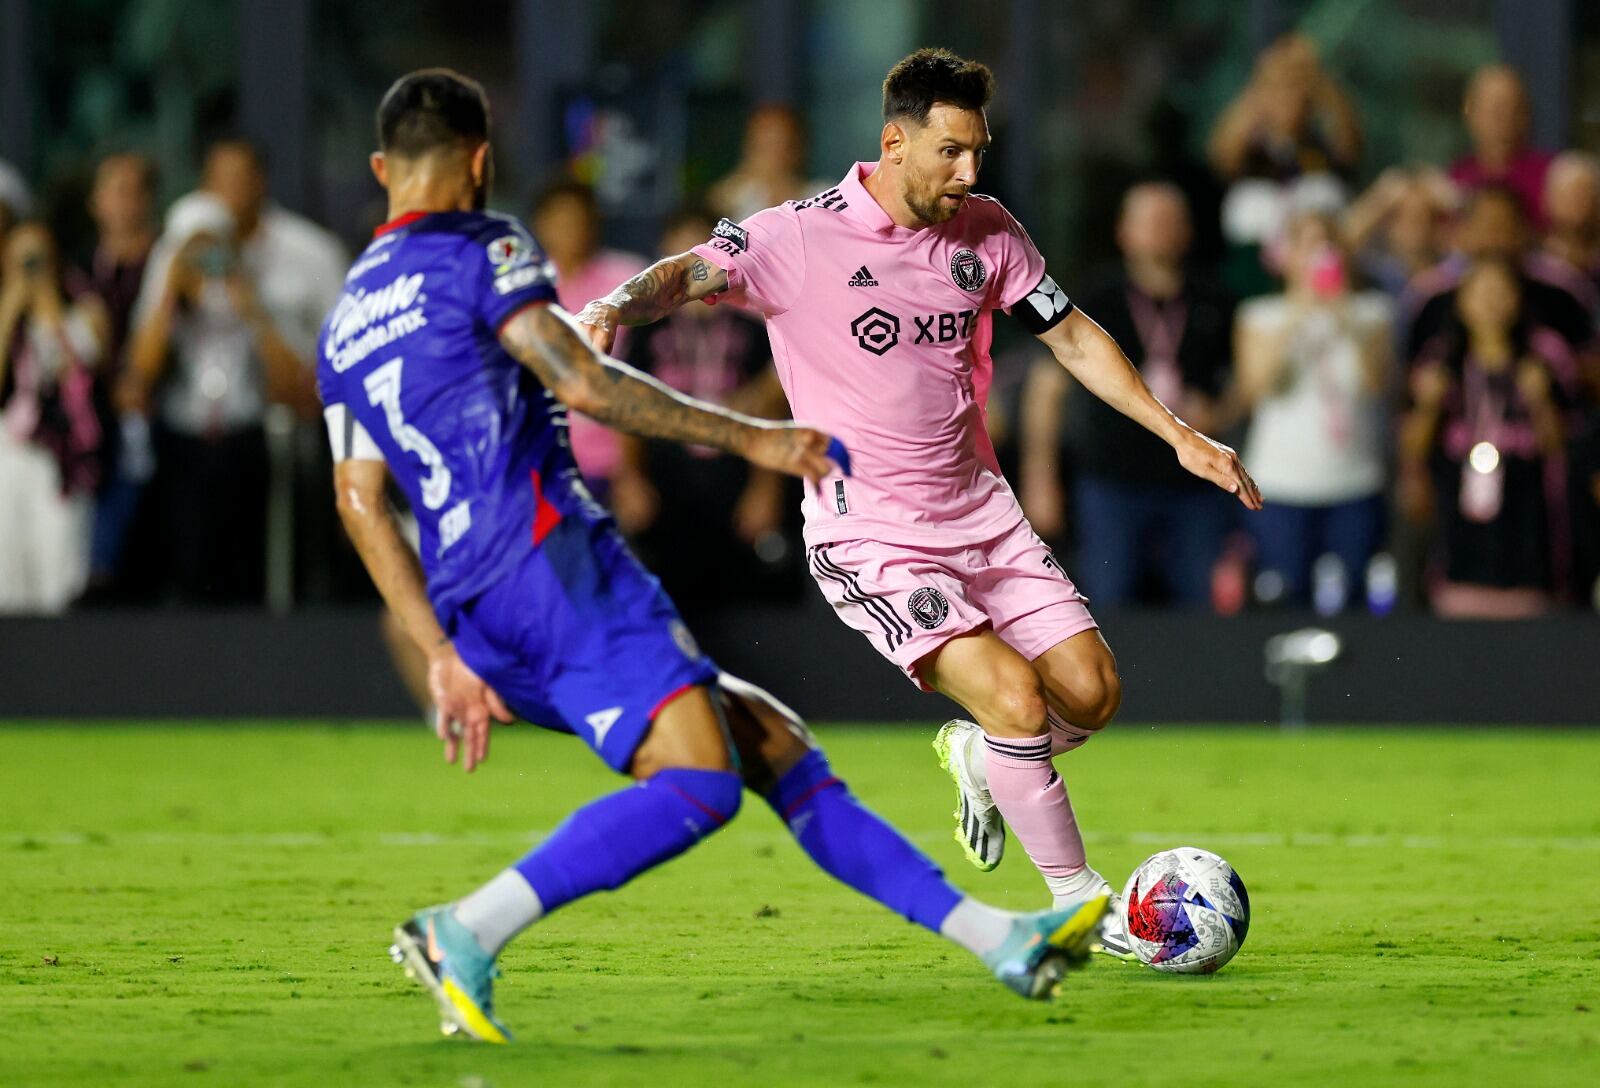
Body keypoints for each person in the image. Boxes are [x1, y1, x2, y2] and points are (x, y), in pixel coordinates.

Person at [325, 69, 1110, 1042]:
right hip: (555, 565)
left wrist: (438, 649)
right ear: (482, 161)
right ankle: (465, 929)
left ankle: (1000, 935)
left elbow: (358, 501)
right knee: (699, 782)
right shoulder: (488, 248)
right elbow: (585, 380)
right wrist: (757, 438)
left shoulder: (347, 315)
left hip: (471, 606)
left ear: (378, 167)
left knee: (773, 745)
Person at [577, 49, 1258, 941]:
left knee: (1090, 696)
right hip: (876, 539)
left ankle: (986, 757)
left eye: (979, 151)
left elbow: (1072, 335)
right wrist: (613, 309)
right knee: (1016, 698)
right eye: (952, 153)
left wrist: (1181, 436)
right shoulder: (798, 236)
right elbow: (687, 272)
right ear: (895, 143)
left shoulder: (987, 229)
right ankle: (1079, 906)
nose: (969, 173)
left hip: (985, 515)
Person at [1019, 182, 1236, 608]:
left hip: (1196, 486)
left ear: (1189, 231)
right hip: (1111, 481)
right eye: (1150, 221)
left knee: (1201, 607)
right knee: (1109, 602)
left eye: (1171, 220)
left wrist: (1222, 413)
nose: (1161, 231)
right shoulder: (1093, 299)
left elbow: (1246, 382)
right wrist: (1040, 478)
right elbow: (1046, 389)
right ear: (1123, 231)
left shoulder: (1216, 299)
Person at [613, 206, 791, 605]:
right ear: (663, 255)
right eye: (681, 250)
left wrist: (766, 490)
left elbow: (772, 413)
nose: (691, 263)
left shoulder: (753, 329)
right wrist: (629, 478)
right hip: (666, 481)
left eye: (701, 249)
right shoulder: (644, 332)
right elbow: (626, 408)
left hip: (735, 480)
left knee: (749, 606)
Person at [1401, 258, 1580, 617]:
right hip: (1458, 523)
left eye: (1500, 292)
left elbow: (1564, 446)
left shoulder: (1545, 354)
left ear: (1518, 299)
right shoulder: (1443, 358)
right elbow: (1412, 447)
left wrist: (1541, 400)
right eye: (1481, 292)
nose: (1491, 302)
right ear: (1461, 302)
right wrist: (1429, 407)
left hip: (1528, 518)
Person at [1235, 210, 1392, 609]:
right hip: (1281, 482)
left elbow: (1378, 383)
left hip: (1355, 479)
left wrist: (1341, 312)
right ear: (1285, 255)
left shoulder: (1372, 312)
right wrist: (1300, 310)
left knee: (1355, 593)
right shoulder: (1260, 314)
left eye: (1328, 243)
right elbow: (1258, 388)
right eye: (1306, 244)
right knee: (1287, 594)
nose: (1319, 253)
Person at [0, 221, 109, 612]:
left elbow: (78, 368)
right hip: (9, 456)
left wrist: (47, 303)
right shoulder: (4, 310)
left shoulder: (85, 307)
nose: (30, 268)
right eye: (22, 258)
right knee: (7, 578)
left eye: (38, 258)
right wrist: (12, 303)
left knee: (58, 578)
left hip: (62, 459)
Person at [528, 180, 648, 497]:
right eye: (561, 219)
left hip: (615, 466)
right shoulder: (524, 287)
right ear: (541, 225)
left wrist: (631, 470)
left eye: (579, 218)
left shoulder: (630, 278)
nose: (571, 229)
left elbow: (642, 372)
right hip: (542, 464)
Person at [81, 152, 159, 597]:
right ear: (95, 201)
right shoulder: (77, 269)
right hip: (90, 421)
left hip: (156, 415)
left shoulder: (166, 262)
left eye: (133, 191)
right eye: (113, 190)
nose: (123, 202)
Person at [1448, 64, 1555, 230]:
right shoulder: (1453, 182)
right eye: (1496, 110)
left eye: (1515, 109)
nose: (1506, 120)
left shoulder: (1553, 180)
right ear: (1471, 112)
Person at [707, 104, 826, 224]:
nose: (772, 156)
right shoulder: (732, 197)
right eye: (764, 146)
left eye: (782, 145)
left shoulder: (822, 197)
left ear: (800, 148)